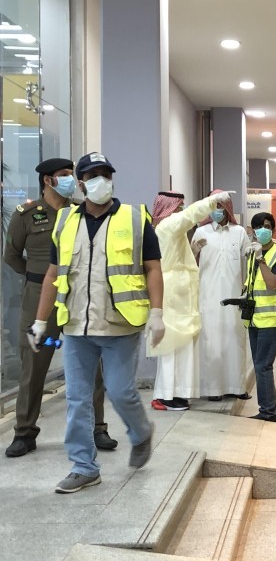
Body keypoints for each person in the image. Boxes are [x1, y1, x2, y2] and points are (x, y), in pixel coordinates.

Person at [29, 152, 163, 494]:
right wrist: (40, 321)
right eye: (92, 174)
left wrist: (159, 314)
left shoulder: (135, 219)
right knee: (77, 398)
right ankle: (84, 466)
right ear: (81, 182)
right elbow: (53, 273)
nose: (100, 180)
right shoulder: (65, 222)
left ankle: (140, 432)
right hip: (76, 327)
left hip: (120, 325)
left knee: (120, 392)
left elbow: (153, 268)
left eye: (105, 173)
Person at [4, 158, 117, 457]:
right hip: (39, 295)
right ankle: (25, 433)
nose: (71, 180)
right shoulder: (26, 215)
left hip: (78, 294)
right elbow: (12, 256)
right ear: (48, 180)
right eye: (64, 175)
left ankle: (98, 428)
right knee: (34, 362)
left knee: (92, 364)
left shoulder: (82, 210)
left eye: (71, 175)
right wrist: (37, 276)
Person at [150, 191, 230, 410]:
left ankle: (178, 393)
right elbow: (190, 216)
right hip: (173, 295)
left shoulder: (169, 231)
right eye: (179, 206)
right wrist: (213, 201)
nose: (181, 210)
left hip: (181, 295)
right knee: (171, 346)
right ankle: (167, 395)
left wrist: (192, 251)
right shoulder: (168, 225)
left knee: (183, 346)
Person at [191, 190, 250, 401]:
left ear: (228, 208)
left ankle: (237, 387)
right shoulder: (201, 232)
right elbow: (189, 263)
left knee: (235, 340)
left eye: (221, 206)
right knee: (211, 342)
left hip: (234, 297)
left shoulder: (239, 232)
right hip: (208, 297)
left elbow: (248, 259)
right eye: (214, 206)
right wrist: (193, 250)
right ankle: (212, 389)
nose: (218, 210)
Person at [244, 212, 276, 421]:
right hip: (254, 318)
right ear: (253, 230)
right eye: (259, 226)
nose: (263, 230)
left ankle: (269, 411)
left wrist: (262, 260)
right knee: (260, 364)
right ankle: (271, 407)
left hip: (272, 319)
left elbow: (272, 284)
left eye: (267, 226)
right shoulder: (252, 254)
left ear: (272, 230)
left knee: (263, 365)